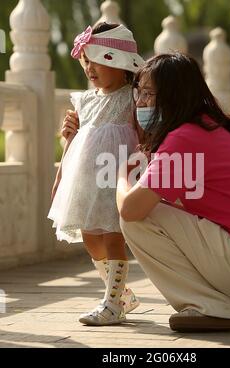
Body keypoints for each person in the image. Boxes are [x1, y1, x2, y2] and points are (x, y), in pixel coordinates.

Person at [116, 53, 230, 332]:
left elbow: (131, 209)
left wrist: (121, 177)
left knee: (138, 218)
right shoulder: (204, 128)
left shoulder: (184, 138)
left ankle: (208, 306)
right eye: (139, 93)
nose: (140, 102)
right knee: (157, 204)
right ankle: (218, 304)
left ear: (174, 95)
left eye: (149, 94)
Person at [48, 23, 144, 326]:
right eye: (85, 60)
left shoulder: (133, 98)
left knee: (113, 236)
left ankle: (112, 304)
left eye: (98, 59)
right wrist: (60, 177)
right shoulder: (84, 101)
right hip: (87, 181)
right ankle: (121, 293)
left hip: (116, 179)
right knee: (90, 236)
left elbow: (143, 136)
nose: (89, 67)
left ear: (120, 62)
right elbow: (74, 144)